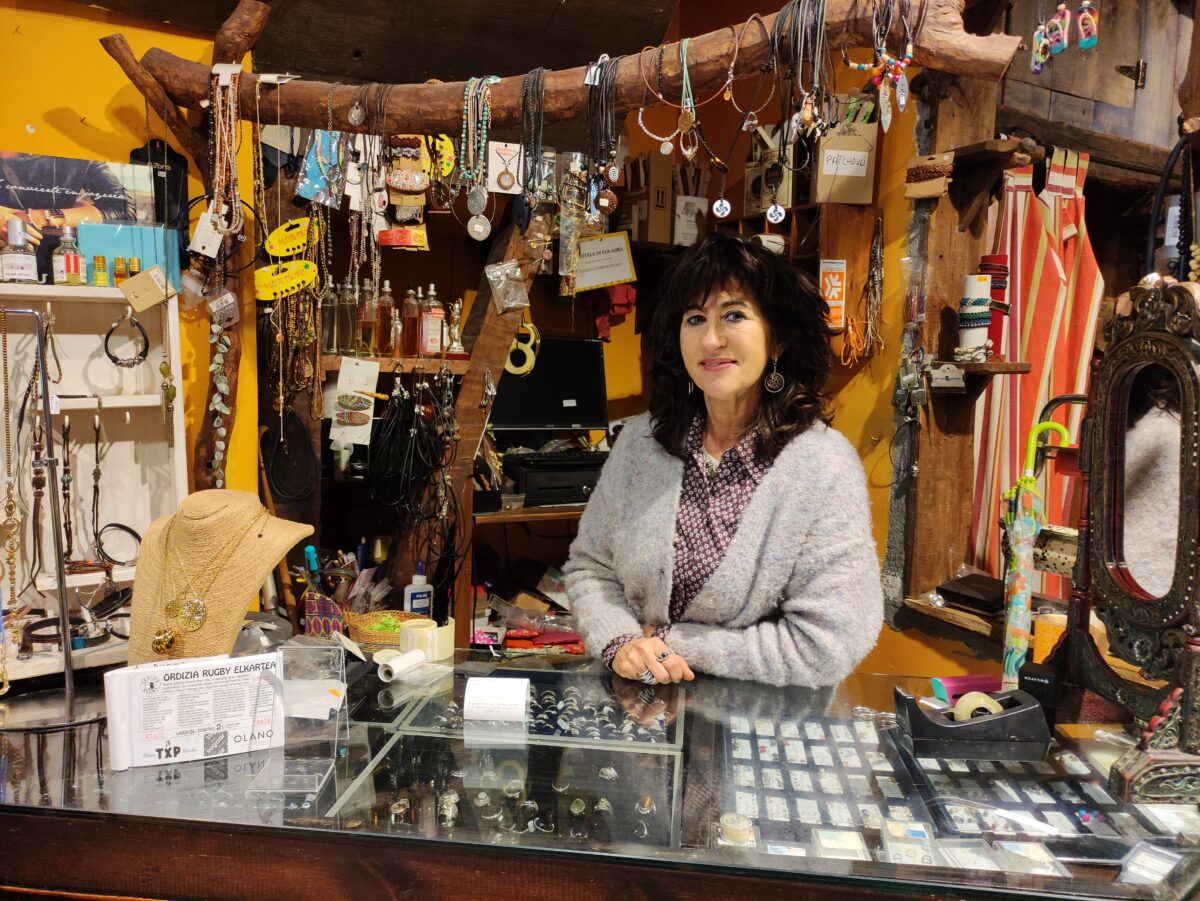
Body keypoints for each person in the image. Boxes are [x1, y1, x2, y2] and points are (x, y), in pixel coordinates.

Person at [564, 233, 883, 687]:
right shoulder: (641, 443)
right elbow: (590, 568)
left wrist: (672, 644)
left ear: (778, 339)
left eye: (734, 315)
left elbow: (828, 645)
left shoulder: (822, 466)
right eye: (695, 319)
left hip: (762, 722)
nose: (711, 339)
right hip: (642, 713)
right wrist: (620, 643)